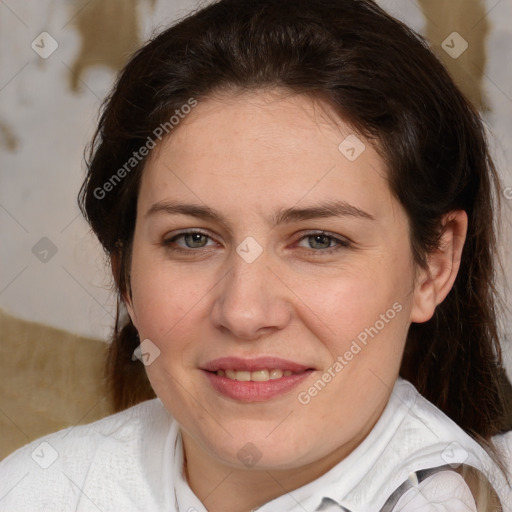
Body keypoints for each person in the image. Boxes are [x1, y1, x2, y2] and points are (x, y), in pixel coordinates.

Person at [1, 0, 511, 510]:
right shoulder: (35, 489)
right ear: (125, 273)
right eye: (192, 239)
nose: (244, 313)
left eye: (319, 240)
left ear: (434, 266)